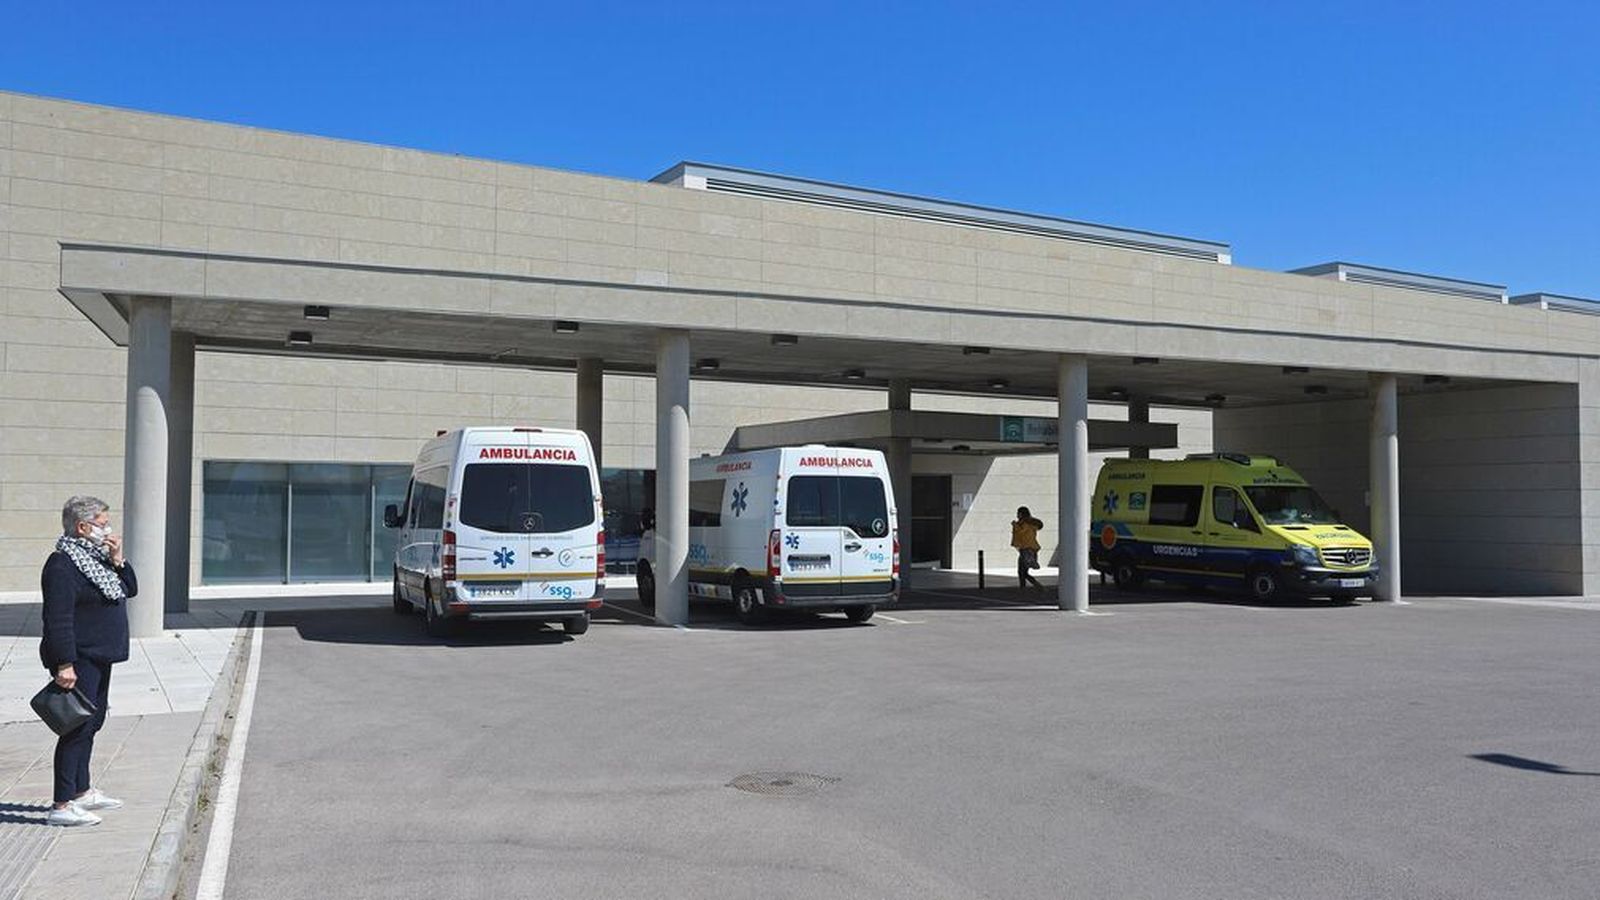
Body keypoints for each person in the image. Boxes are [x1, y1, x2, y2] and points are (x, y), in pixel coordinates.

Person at [39, 496, 134, 827]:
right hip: (78, 659)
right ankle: (61, 805)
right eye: (102, 522)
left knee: (92, 723)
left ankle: (81, 791)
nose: (107, 528)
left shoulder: (95, 559)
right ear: (82, 526)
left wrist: (118, 558)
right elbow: (58, 619)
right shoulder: (62, 565)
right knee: (75, 727)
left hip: (100, 655)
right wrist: (64, 663)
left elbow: (129, 589)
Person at [1011, 506, 1045, 590]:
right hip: (1028, 548)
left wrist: (1015, 525)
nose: (1017, 515)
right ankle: (1035, 586)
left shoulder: (1024, 524)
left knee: (1022, 570)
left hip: (1027, 548)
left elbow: (1021, 532)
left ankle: (1033, 586)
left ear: (1022, 514)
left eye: (1018, 513)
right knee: (1022, 571)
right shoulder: (1029, 523)